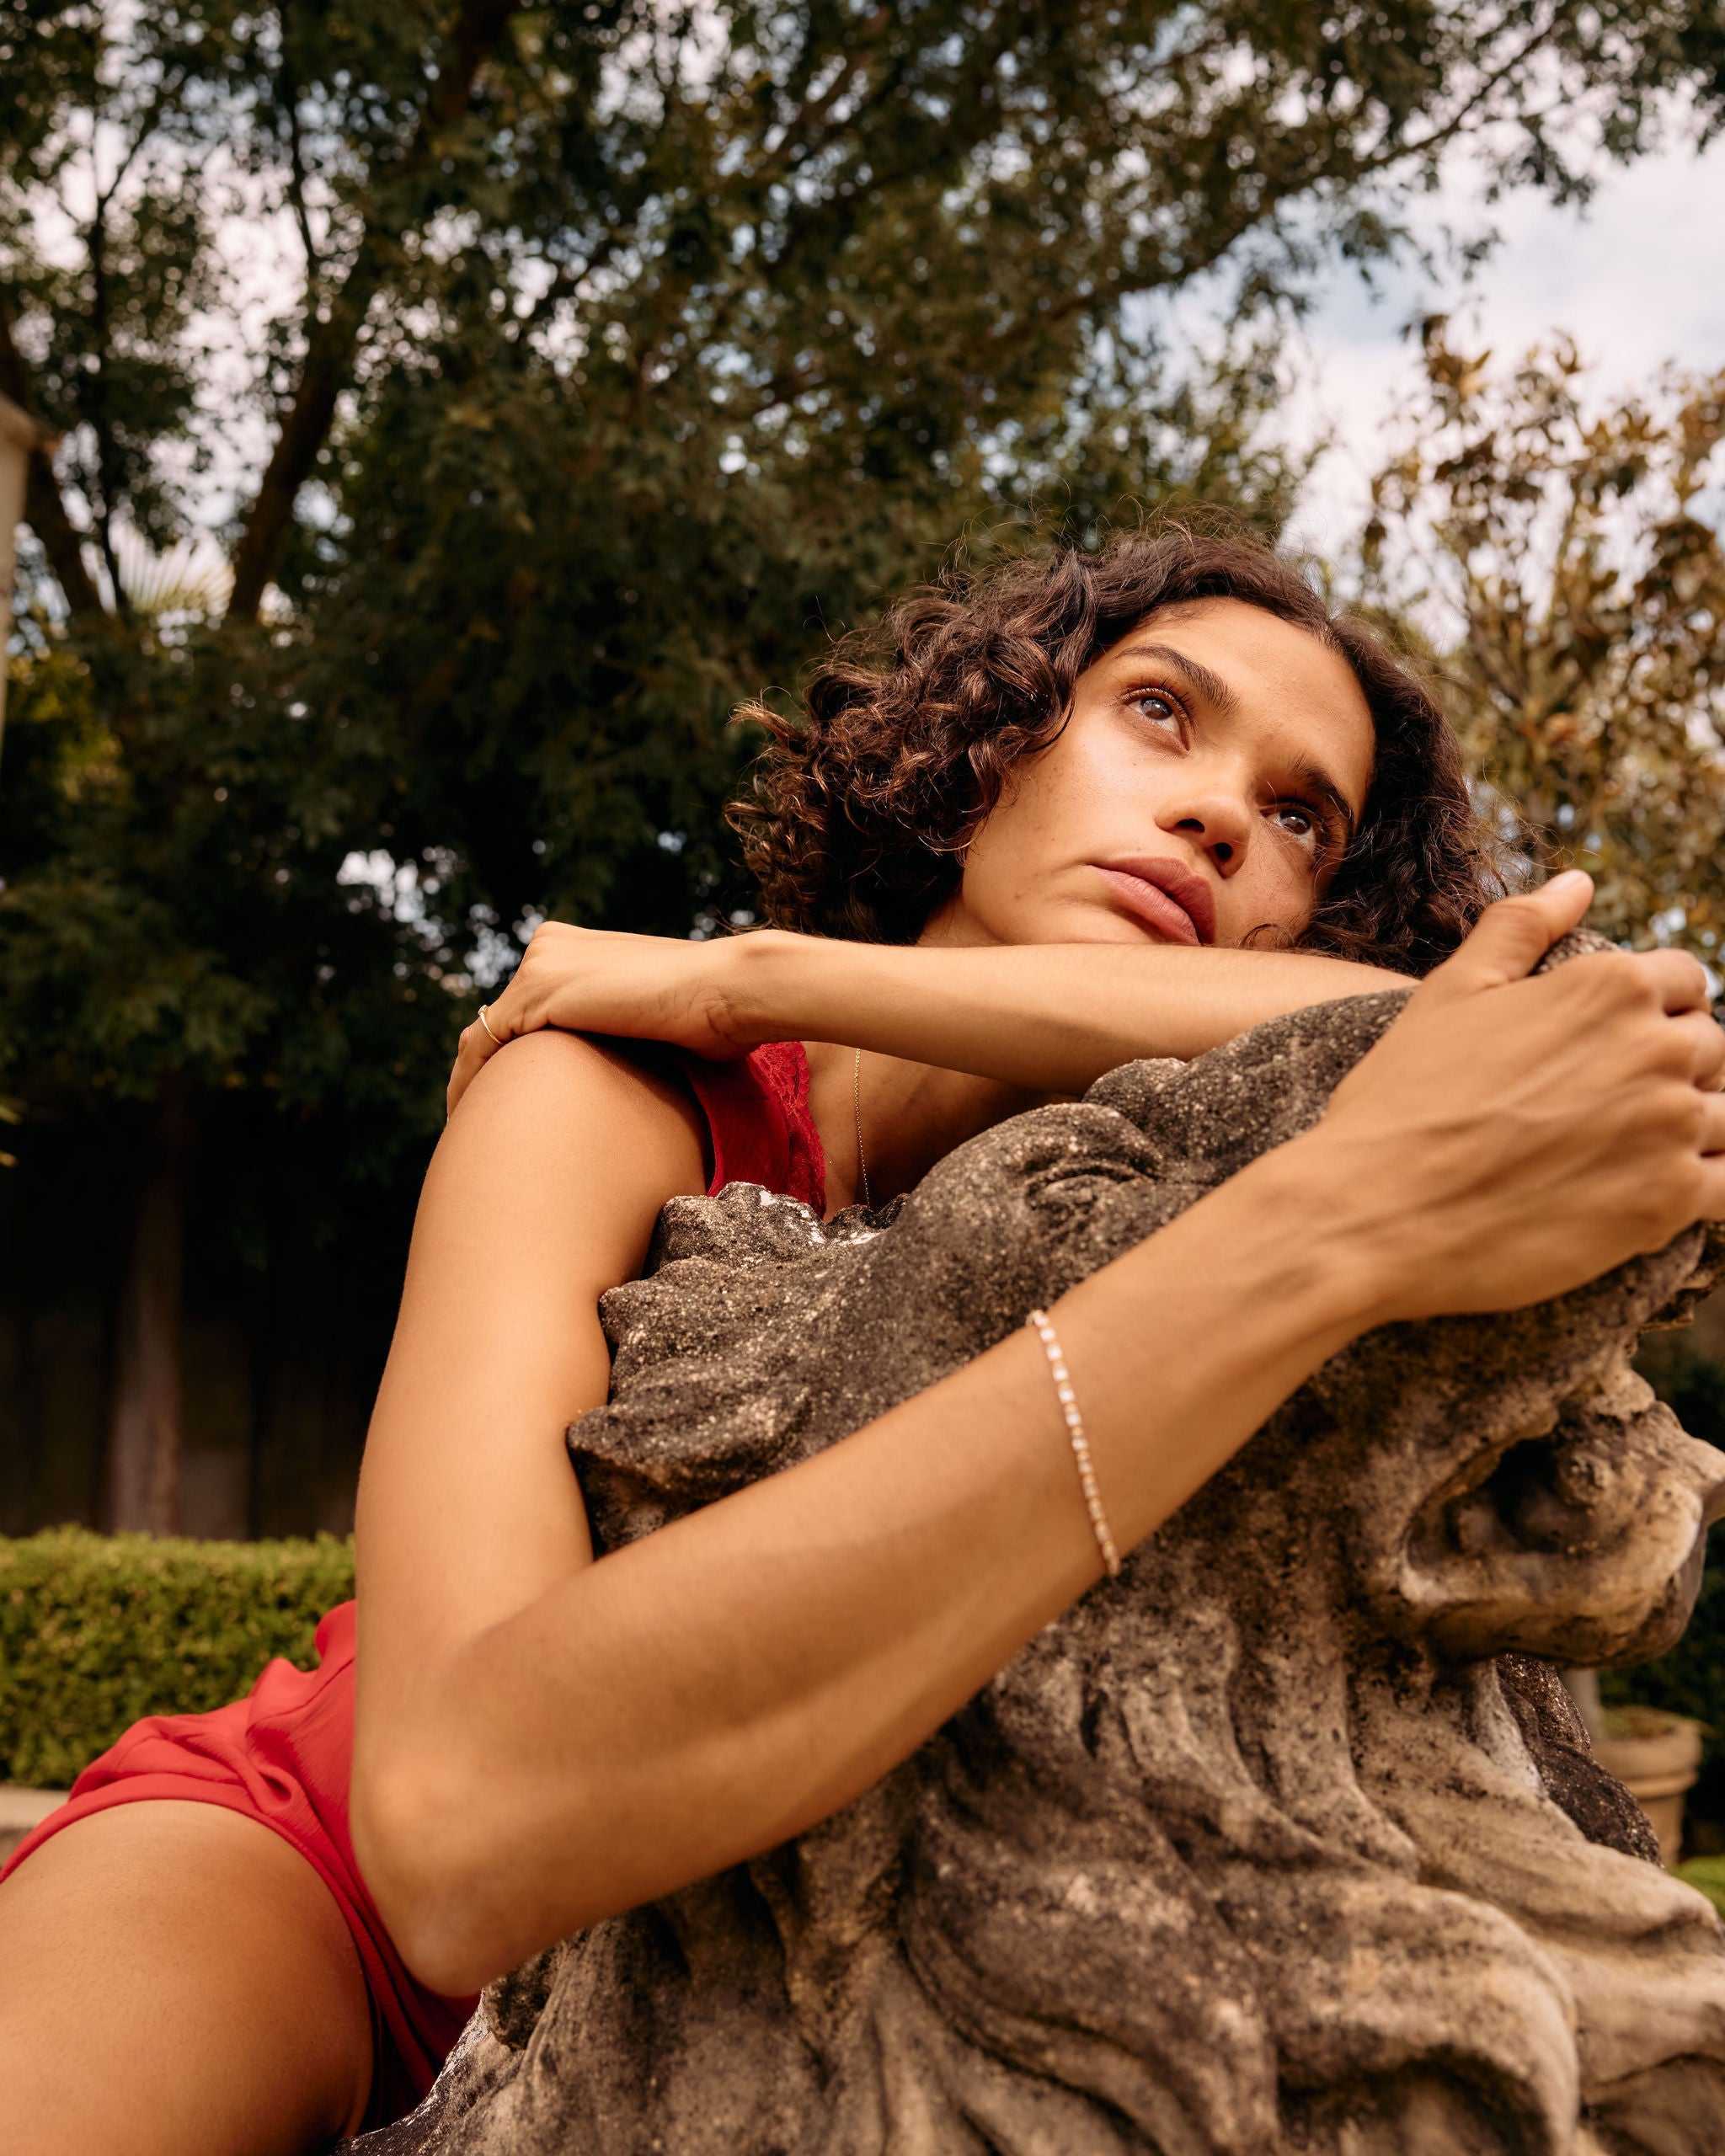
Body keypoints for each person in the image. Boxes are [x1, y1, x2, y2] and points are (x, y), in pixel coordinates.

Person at [3, 530, 1722, 2156]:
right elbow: (457, 1822)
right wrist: (1330, 1226)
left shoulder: (1146, 1197)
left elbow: (1527, 1029)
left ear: (1308, 918)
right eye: (1158, 712)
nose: (1212, 811)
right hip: (331, 1878)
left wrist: (760, 971)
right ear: (994, 751)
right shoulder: (610, 1094)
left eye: (1297, 817)